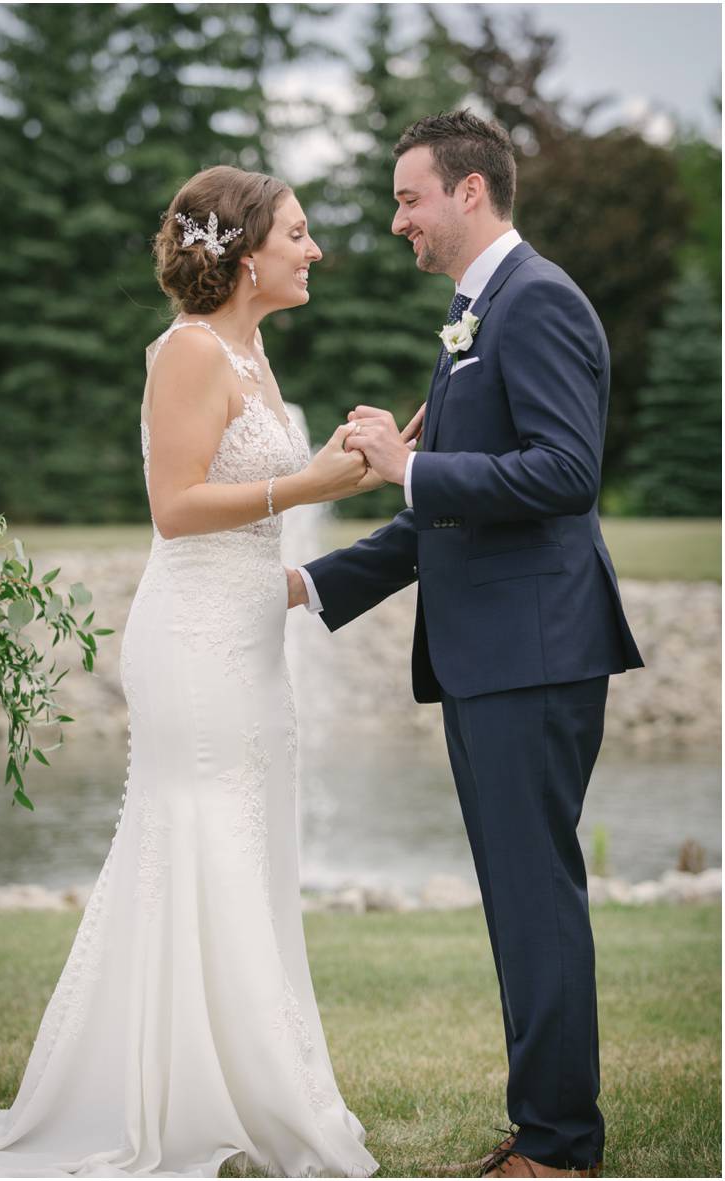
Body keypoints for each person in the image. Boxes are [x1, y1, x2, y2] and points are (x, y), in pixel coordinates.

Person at [0, 165, 404, 1177]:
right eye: (297, 232)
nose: (312, 249)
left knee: (246, 843)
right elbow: (177, 507)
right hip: (191, 639)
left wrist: (348, 468)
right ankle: (199, 1101)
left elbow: (262, 498)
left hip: (245, 628)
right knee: (205, 839)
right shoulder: (187, 353)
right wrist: (309, 476)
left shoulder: (253, 352)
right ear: (243, 254)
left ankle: (235, 1082)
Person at [293, 110, 642, 1180]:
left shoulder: (533, 302)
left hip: (532, 648)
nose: (397, 219)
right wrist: (308, 583)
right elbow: (440, 512)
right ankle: (542, 1120)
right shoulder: (473, 314)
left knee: (534, 892)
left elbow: (561, 473)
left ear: (470, 192)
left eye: (408, 197)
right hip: (497, 652)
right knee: (518, 890)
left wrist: (405, 468)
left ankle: (557, 1145)